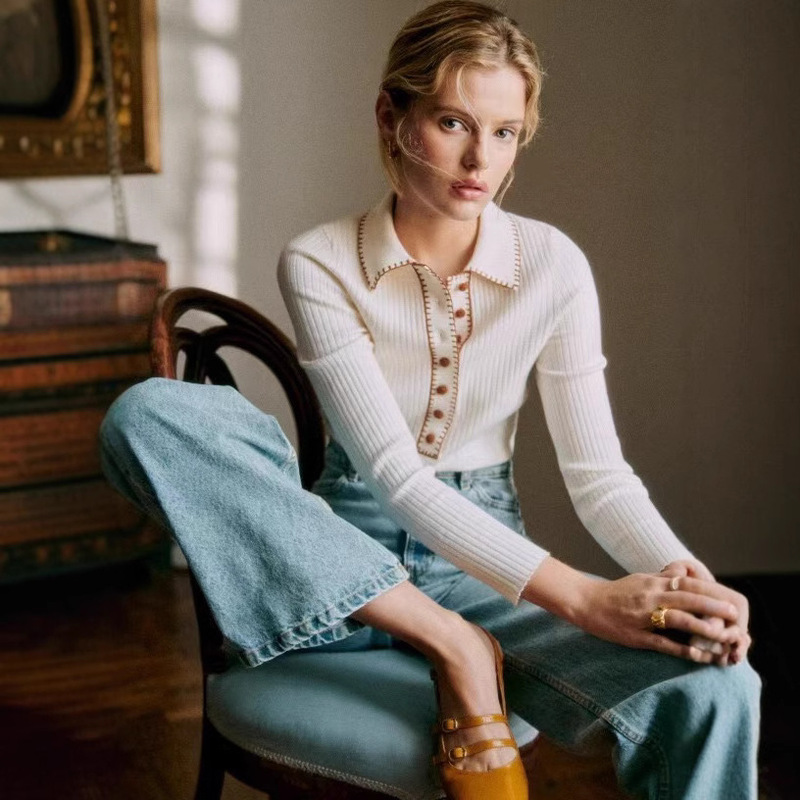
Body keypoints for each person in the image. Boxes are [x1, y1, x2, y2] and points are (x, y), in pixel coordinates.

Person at [99, 2, 760, 798]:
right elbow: (394, 476)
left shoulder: (554, 265)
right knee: (146, 413)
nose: (481, 159)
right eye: (453, 123)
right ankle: (452, 643)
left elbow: (600, 477)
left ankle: (464, 630)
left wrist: (690, 587)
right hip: (338, 563)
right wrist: (584, 599)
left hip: (486, 571)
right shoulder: (320, 260)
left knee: (718, 688)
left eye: (506, 132)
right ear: (392, 115)